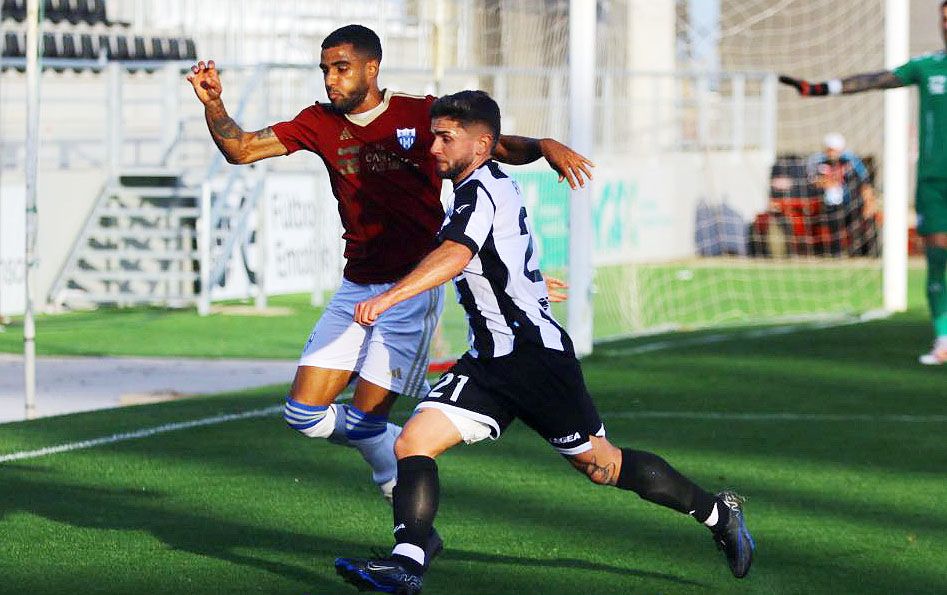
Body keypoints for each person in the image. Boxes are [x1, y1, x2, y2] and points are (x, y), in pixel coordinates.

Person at [185, 24, 589, 561]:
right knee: (303, 416)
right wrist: (215, 104)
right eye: (325, 69)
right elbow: (240, 149)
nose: (331, 80)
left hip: (409, 293)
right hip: (356, 286)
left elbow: (490, 145)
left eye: (342, 68)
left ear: (372, 68)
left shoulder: (418, 116)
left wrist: (543, 146)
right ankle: (400, 460)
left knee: (366, 420)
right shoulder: (317, 122)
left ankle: (413, 526)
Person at [333, 90, 755, 595]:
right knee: (413, 442)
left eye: (446, 138)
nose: (434, 148)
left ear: (482, 144)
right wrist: (528, 282)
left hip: (536, 361)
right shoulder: (478, 185)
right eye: (434, 136)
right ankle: (408, 563)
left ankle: (716, 512)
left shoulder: (482, 191)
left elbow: (455, 253)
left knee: (602, 465)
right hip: (489, 360)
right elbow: (493, 254)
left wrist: (391, 297)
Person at [779, 1, 947, 364]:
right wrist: (822, 89)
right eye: (944, 18)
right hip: (933, 181)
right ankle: (943, 339)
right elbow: (875, 80)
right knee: (938, 256)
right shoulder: (927, 65)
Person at [807, 132, 877, 256]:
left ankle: (860, 253)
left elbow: (865, 183)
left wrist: (869, 202)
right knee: (833, 225)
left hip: (850, 203)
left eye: (835, 150)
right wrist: (825, 182)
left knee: (860, 224)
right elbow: (811, 181)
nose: (832, 153)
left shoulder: (851, 161)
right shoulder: (817, 161)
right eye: (830, 150)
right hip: (827, 204)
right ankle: (835, 254)